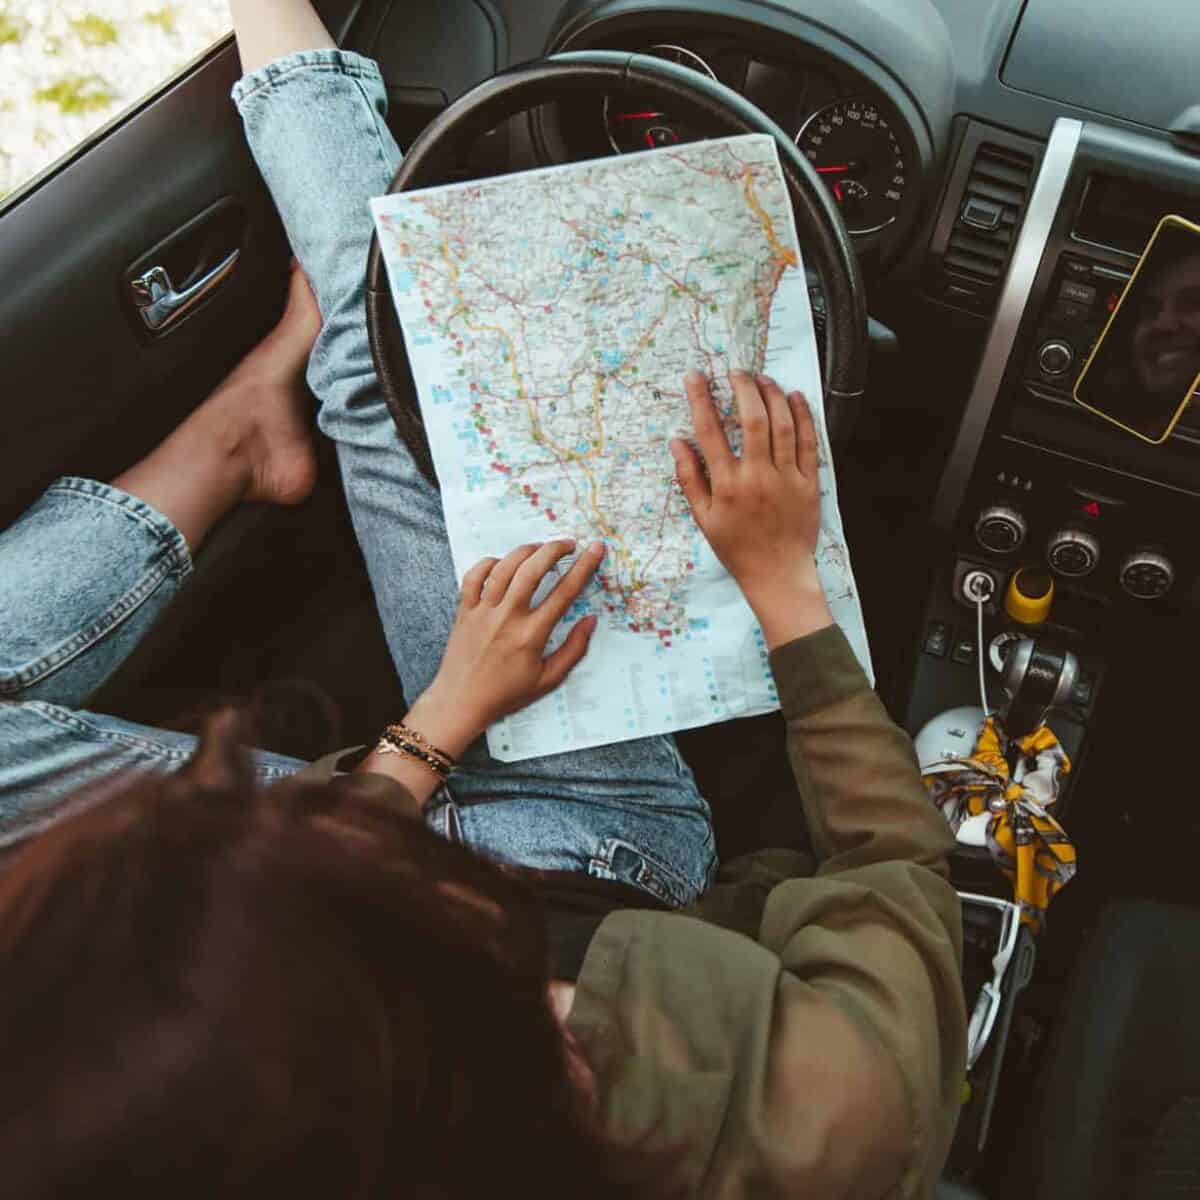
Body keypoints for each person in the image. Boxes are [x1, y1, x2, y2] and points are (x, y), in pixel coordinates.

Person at [0, 2, 966, 1195]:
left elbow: (286, 906)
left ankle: (243, 432)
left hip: (376, 832)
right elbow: (893, 870)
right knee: (371, 367)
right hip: (588, 845)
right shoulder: (835, 1116)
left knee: (384, 365)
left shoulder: (237, 1079)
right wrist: (784, 580)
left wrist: (440, 724)